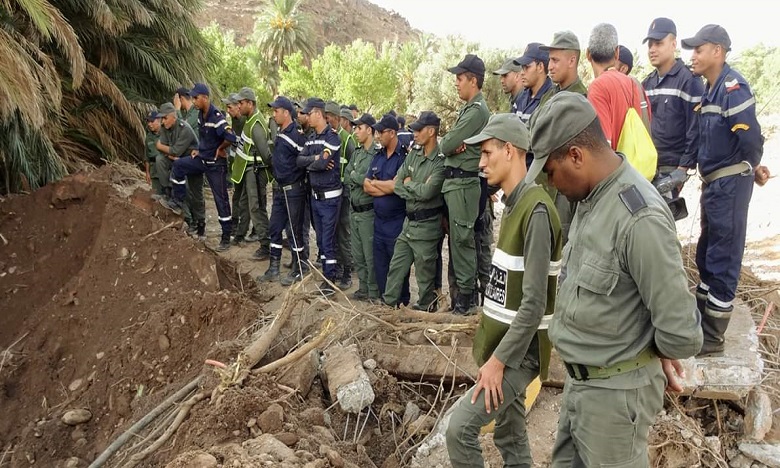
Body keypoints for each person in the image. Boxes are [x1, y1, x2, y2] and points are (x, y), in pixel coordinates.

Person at [526, 91, 702, 466]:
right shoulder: (592, 199)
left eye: (551, 172)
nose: (551, 183)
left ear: (576, 155)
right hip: (582, 385)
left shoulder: (639, 218)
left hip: (615, 398)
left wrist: (652, 352)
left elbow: (680, 330)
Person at [446, 113, 561, 468]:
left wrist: (498, 362)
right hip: (503, 347)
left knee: (460, 430)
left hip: (518, 354)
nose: (481, 163)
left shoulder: (536, 210)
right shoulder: (515, 204)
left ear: (510, 151)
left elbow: (534, 303)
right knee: (509, 433)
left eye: (487, 153)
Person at [682, 25, 764, 356]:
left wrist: (751, 166)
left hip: (730, 185)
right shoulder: (710, 91)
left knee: (723, 258)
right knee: (706, 254)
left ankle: (713, 337)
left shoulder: (733, 88)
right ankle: (702, 324)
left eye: (698, 49)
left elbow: (749, 139)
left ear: (717, 51)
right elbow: (705, 139)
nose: (693, 56)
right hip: (714, 184)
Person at [441, 53, 491, 315]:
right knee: (459, 241)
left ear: (473, 80)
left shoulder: (476, 111)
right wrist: (450, 145)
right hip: (456, 185)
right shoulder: (469, 110)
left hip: (464, 184)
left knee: (462, 241)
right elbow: (448, 144)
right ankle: (463, 296)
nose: (456, 83)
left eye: (459, 78)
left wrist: (451, 146)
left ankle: (466, 300)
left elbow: (447, 144)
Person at [164, 83, 238, 252]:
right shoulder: (200, 115)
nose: (194, 101)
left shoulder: (216, 116)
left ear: (205, 98)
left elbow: (231, 137)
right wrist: (199, 150)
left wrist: (220, 149)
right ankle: (178, 201)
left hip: (216, 165)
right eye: (193, 98)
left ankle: (226, 236)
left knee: (221, 200)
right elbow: (204, 138)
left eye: (196, 98)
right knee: (179, 165)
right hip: (202, 159)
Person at [383, 111, 445, 311]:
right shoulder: (413, 155)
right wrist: (414, 186)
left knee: (424, 275)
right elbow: (397, 184)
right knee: (396, 267)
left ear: (431, 131)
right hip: (408, 225)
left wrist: (410, 184)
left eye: (419, 130)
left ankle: (426, 310)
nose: (415, 133)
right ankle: (388, 307)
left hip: (427, 228)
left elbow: (429, 192)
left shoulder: (440, 161)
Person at [642, 17, 704, 195]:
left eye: (658, 43)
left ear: (673, 44)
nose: (652, 49)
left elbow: (696, 128)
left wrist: (683, 168)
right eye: (650, 45)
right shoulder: (647, 83)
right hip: (648, 169)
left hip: (671, 169)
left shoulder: (689, 80)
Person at [257, 96, 308, 286]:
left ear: (286, 113)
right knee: (274, 227)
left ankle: (298, 269)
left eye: (276, 111)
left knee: (295, 231)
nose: (273, 114)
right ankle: (273, 267)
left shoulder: (296, 135)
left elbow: (304, 158)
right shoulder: (280, 131)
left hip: (293, 190)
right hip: (279, 190)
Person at [296, 98, 342, 295]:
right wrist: (315, 159)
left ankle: (330, 281)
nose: (306, 117)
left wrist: (314, 163)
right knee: (321, 241)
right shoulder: (312, 137)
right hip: (316, 197)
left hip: (330, 198)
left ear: (317, 113)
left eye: (308, 113)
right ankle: (327, 275)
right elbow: (299, 161)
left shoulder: (332, 137)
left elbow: (323, 165)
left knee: (327, 240)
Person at [364, 114, 409, 305]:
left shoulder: (404, 157)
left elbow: (397, 187)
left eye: (381, 132)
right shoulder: (378, 156)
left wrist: (380, 185)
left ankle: (402, 304)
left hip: (396, 222)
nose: (377, 136)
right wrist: (387, 186)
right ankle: (386, 304)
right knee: (381, 266)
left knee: (397, 267)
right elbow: (366, 186)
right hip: (379, 222)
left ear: (392, 133)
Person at [586, 23, 653, 150]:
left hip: (616, 168)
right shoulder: (634, 84)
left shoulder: (597, 87)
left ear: (588, 54)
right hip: (636, 168)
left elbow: (602, 148)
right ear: (616, 53)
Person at [231, 87, 272, 258]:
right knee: (245, 204)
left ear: (250, 103)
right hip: (249, 171)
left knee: (256, 207)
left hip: (255, 172)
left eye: (241, 103)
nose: (238, 106)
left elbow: (266, 154)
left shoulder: (255, 124)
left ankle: (265, 245)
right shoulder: (250, 120)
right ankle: (242, 234)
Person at [344, 113, 380, 300]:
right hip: (354, 211)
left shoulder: (376, 153)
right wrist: (360, 178)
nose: (356, 131)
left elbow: (370, 180)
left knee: (370, 255)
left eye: (359, 128)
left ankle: (373, 291)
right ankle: (363, 288)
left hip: (368, 212)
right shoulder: (357, 152)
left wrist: (359, 177)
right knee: (357, 254)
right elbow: (347, 174)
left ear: (369, 130)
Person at [155, 102, 199, 234]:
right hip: (175, 161)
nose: (162, 122)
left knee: (185, 190)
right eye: (161, 119)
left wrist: (160, 147)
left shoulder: (184, 128)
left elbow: (174, 150)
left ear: (173, 116)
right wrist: (168, 151)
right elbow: (169, 150)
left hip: (189, 163)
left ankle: (192, 221)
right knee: (159, 160)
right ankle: (166, 192)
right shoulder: (165, 128)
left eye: (165, 118)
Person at [325, 102, 355, 288]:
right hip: (332, 193)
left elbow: (353, 167)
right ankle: (334, 266)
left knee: (344, 232)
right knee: (332, 231)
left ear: (339, 119)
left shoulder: (347, 141)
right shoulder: (330, 136)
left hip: (344, 195)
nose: (327, 119)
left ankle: (347, 272)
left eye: (328, 116)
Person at [173, 86, 206, 236]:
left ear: (180, 98)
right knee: (190, 191)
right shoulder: (190, 114)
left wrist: (177, 110)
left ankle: (200, 224)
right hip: (188, 159)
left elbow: (182, 128)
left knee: (196, 193)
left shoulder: (194, 114)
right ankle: (194, 222)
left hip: (196, 158)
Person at [223, 93, 250, 244]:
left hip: (247, 165)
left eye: (230, 107)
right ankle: (235, 223)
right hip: (236, 163)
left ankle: (244, 230)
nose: (228, 110)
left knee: (246, 198)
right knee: (237, 195)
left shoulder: (246, 121)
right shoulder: (234, 121)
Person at [513, 43, 555, 124]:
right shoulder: (521, 97)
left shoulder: (552, 99)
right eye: (522, 68)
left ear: (540, 67)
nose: (522, 72)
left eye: (527, 67)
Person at [541, 31, 588, 95]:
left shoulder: (579, 99)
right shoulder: (550, 93)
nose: (549, 67)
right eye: (549, 60)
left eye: (555, 60)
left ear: (572, 61)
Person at [144, 110, 163, 200]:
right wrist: (147, 173)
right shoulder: (148, 137)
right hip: (154, 172)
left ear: (159, 120)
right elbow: (147, 156)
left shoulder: (166, 133)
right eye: (148, 121)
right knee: (156, 197)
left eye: (152, 121)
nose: (149, 124)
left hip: (165, 171)